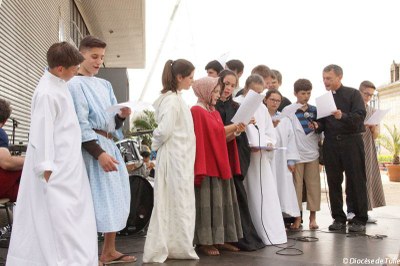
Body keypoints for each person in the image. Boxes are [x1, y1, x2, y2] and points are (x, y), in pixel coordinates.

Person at [7, 42, 98, 265]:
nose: (77, 70)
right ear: (60, 68)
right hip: (55, 169)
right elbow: (42, 132)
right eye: (74, 67)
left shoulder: (59, 84)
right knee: (58, 221)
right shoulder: (47, 92)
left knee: (73, 219)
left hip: (68, 165)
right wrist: (46, 167)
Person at [68, 36, 135, 264]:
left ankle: (109, 250)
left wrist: (120, 116)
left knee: (116, 195)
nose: (98, 62)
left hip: (108, 143)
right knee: (94, 198)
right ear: (81, 55)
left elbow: (111, 123)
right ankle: (87, 253)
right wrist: (98, 153)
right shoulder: (74, 84)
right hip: (91, 147)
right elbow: (81, 122)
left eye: (102, 58)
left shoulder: (105, 84)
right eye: (94, 56)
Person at [143, 59, 199, 263]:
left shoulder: (175, 99)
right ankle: (173, 245)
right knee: (174, 201)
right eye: (190, 77)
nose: (192, 81)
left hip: (180, 158)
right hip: (175, 159)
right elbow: (165, 130)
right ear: (179, 77)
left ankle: (177, 245)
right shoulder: (172, 101)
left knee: (177, 201)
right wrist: (155, 144)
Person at [191, 76, 245, 256]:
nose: (217, 94)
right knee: (207, 204)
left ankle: (220, 240)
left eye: (217, 91)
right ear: (205, 91)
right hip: (207, 163)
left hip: (220, 162)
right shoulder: (196, 111)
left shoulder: (212, 111)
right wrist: (235, 126)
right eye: (214, 91)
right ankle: (204, 242)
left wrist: (236, 130)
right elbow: (212, 134)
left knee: (221, 203)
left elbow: (220, 137)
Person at [215, 70, 265, 251]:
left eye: (231, 85)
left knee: (237, 196)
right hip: (219, 156)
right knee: (220, 198)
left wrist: (243, 125)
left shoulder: (236, 106)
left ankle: (240, 237)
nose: (228, 88)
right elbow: (216, 134)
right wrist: (235, 129)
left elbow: (237, 134)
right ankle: (221, 238)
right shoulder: (211, 107)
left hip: (236, 155)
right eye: (225, 84)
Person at [314, 64, 368, 232]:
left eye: (329, 78)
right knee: (333, 181)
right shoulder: (323, 99)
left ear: (339, 77)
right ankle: (338, 218)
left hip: (351, 142)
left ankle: (359, 218)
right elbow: (323, 122)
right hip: (331, 144)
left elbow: (360, 117)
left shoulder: (353, 94)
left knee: (356, 180)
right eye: (323, 78)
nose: (325, 81)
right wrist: (317, 125)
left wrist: (342, 116)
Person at [239, 74, 287, 245]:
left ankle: (271, 233)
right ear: (246, 88)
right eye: (255, 92)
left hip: (261, 157)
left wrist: (268, 142)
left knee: (265, 194)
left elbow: (269, 132)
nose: (258, 96)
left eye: (261, 93)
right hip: (245, 156)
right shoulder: (238, 103)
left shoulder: (261, 108)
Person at [346, 80, 386, 223]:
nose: (368, 97)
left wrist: (373, 128)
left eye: (371, 95)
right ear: (359, 92)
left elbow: (376, 136)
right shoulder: (352, 109)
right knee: (352, 178)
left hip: (368, 148)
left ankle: (364, 211)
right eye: (366, 94)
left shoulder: (373, 111)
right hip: (353, 147)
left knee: (367, 178)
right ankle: (351, 210)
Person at [286, 79, 321, 230]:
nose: (306, 96)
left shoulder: (315, 110)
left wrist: (318, 126)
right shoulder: (289, 110)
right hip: (296, 155)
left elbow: (322, 131)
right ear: (295, 93)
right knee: (296, 187)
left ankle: (313, 218)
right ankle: (297, 218)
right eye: (302, 93)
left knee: (313, 187)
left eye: (308, 93)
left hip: (313, 153)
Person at [264, 89, 301, 228]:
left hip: (281, 159)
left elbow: (291, 138)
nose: (274, 103)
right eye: (272, 99)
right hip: (266, 158)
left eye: (277, 101)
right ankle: (272, 220)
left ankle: (296, 217)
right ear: (265, 100)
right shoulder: (261, 117)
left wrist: (291, 160)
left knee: (285, 188)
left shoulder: (284, 119)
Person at [0, 99, 24, 202]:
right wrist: (33, 159)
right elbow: (7, 163)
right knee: (24, 171)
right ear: (5, 121)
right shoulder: (1, 134)